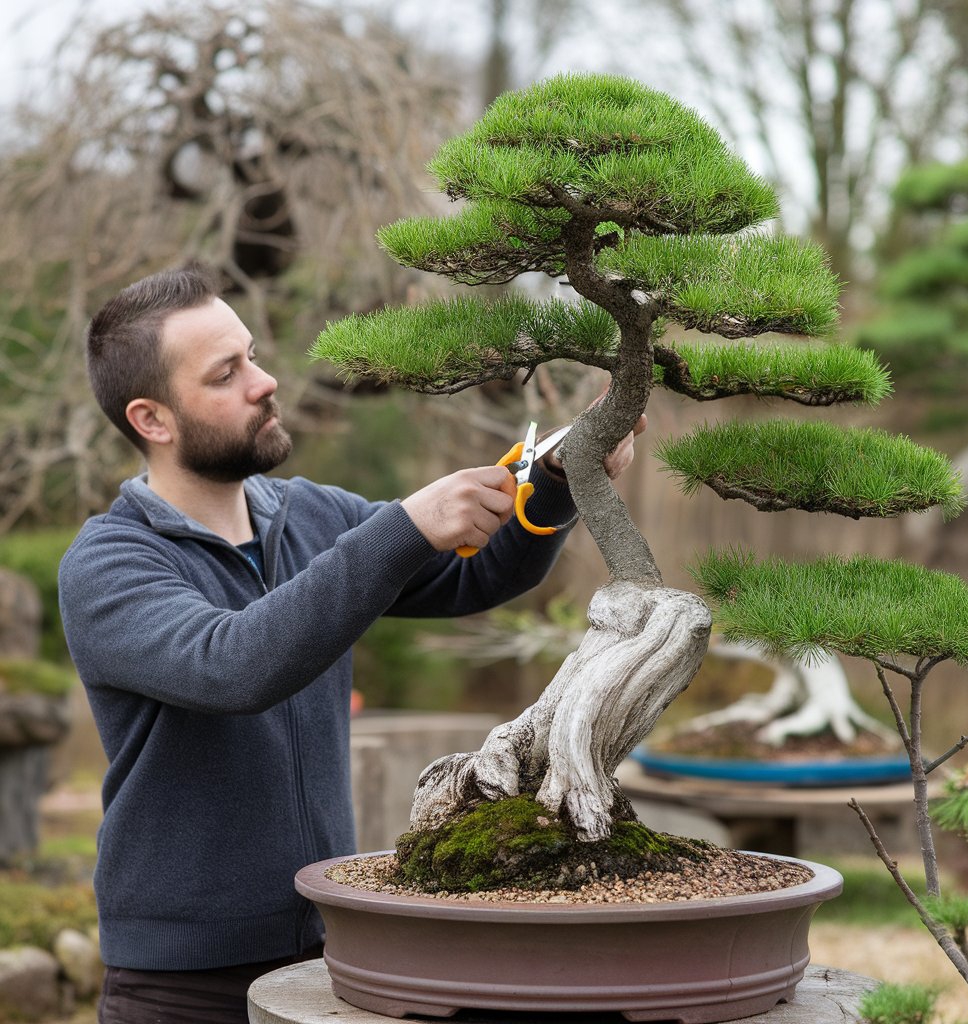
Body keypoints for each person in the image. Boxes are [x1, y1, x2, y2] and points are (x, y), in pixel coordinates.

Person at [57, 262, 645, 1023]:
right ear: (153, 420)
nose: (264, 382)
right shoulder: (109, 563)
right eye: (226, 373)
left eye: (254, 355)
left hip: (330, 950)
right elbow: (234, 664)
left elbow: (477, 576)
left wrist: (561, 477)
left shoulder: (310, 517)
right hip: (180, 985)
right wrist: (401, 528)